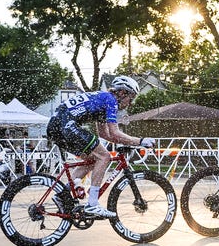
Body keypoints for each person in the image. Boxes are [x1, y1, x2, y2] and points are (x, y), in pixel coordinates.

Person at [47, 75, 155, 218]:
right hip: (65, 124)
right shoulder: (111, 100)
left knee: (93, 158)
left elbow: (106, 135)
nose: (130, 103)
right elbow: (115, 133)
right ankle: (92, 204)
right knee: (104, 156)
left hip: (56, 126)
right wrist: (140, 141)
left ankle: (63, 195)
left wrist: (129, 142)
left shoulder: (102, 100)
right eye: (131, 98)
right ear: (123, 93)